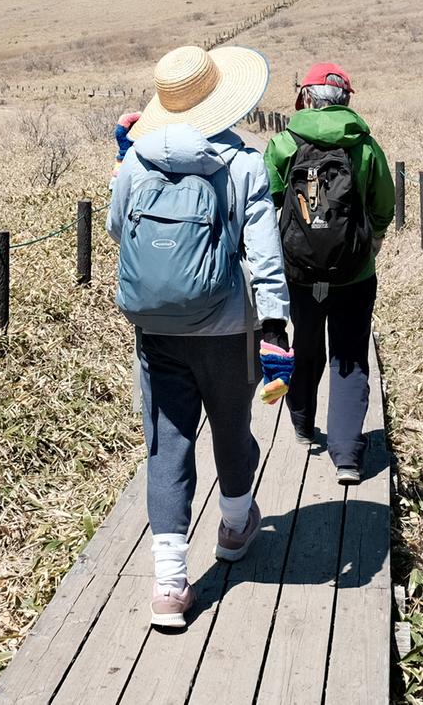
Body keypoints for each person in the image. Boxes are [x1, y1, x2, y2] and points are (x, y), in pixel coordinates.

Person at [108, 45, 289, 628]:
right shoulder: (242, 165)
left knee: (166, 442)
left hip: (156, 329)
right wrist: (276, 328)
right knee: (232, 429)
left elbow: (116, 229)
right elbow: (263, 256)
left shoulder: (137, 160)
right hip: (228, 329)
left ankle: (169, 585)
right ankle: (235, 527)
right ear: (222, 99)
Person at [263, 62, 394, 486]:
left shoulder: (285, 143)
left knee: (305, 341)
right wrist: (368, 245)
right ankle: (347, 457)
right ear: (347, 100)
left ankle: (301, 423)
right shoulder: (364, 145)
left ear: (305, 98)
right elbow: (383, 206)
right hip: (354, 275)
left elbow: (265, 201)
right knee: (351, 356)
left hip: (299, 271)